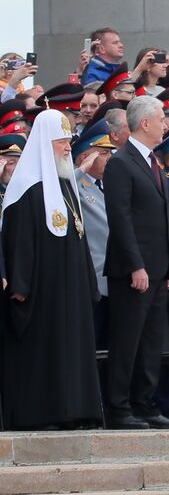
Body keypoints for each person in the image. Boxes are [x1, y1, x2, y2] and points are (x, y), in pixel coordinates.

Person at [0, 110, 103, 430]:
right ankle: (43, 413)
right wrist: (20, 284)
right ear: (45, 144)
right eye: (61, 142)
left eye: (69, 141)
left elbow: (79, 235)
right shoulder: (25, 190)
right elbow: (18, 241)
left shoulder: (66, 186)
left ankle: (75, 410)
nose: (68, 147)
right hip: (41, 290)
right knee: (45, 351)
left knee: (73, 349)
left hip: (71, 289)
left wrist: (89, 283)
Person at [103, 95, 169, 430]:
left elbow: (162, 217)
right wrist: (136, 265)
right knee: (127, 340)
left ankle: (145, 403)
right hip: (132, 270)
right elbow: (120, 218)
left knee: (152, 341)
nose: (166, 123)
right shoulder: (121, 162)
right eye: (162, 117)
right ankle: (120, 408)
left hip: (158, 267)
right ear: (145, 123)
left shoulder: (153, 162)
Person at [73, 119, 113, 348]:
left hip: (113, 279)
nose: (109, 158)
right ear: (84, 158)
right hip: (92, 280)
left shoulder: (107, 184)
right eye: (103, 153)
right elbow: (60, 186)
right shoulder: (76, 183)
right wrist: (80, 171)